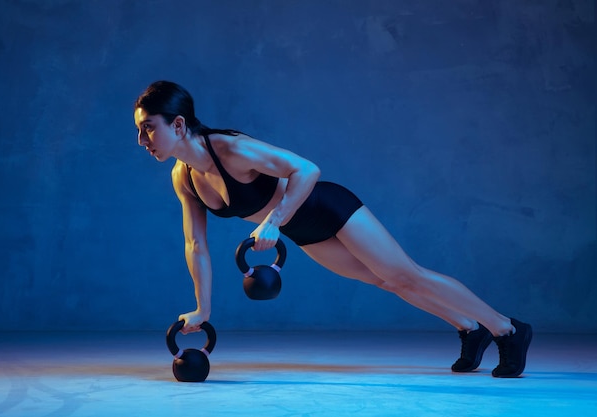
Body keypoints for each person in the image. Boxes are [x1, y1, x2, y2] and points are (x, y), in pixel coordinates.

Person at [134, 80, 532, 378]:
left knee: (406, 274)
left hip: (327, 206)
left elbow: (306, 169)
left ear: (179, 124)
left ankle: (507, 329)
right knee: (388, 283)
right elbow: (195, 245)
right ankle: (469, 329)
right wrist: (203, 309)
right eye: (139, 130)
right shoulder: (184, 178)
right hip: (303, 232)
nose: (142, 139)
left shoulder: (231, 150)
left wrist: (274, 219)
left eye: (149, 128)